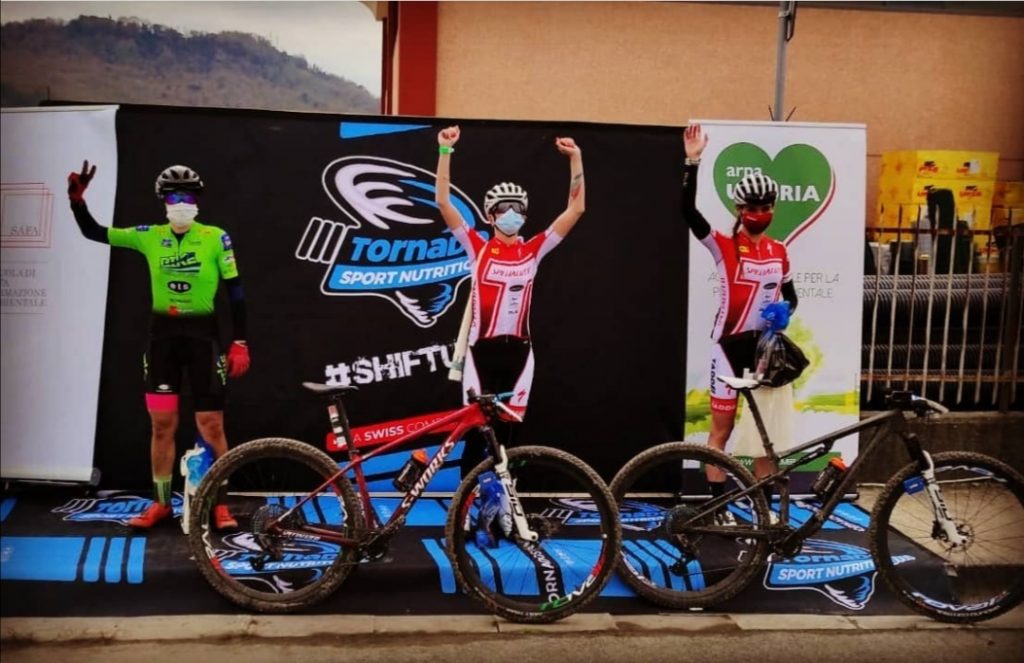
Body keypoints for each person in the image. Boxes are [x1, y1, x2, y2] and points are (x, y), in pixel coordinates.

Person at [67, 161, 250, 529]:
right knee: (162, 426)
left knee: (212, 425)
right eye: (173, 197)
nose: (181, 203)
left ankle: (220, 505)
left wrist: (239, 341)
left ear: (197, 201)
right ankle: (162, 503)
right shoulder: (148, 235)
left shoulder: (216, 237)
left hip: (204, 339)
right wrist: (77, 202)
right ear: (163, 201)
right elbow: (94, 232)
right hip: (162, 340)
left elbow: (236, 291)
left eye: (187, 197)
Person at [434, 126, 585, 476]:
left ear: (525, 215)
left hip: (519, 353)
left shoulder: (534, 250)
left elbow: (576, 209)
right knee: (477, 434)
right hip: (481, 354)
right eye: (503, 208)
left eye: (517, 208)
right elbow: (443, 202)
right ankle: (468, 501)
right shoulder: (477, 247)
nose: (511, 213)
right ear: (490, 215)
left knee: (510, 436)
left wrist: (576, 158)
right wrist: (444, 151)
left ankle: (505, 500)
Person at [680, 124, 798, 503]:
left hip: (763, 350)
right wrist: (692, 162)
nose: (759, 214)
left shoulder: (779, 250)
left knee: (765, 437)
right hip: (728, 349)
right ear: (740, 210)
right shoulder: (723, 245)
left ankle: (763, 506)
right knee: (722, 430)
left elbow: (792, 296)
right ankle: (716, 504)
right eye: (752, 208)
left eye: (766, 208)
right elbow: (687, 211)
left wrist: (785, 311)